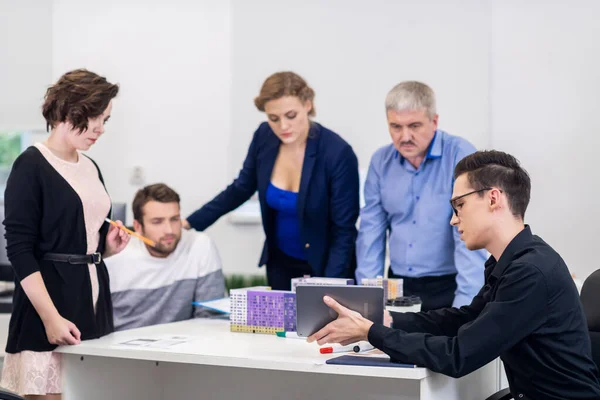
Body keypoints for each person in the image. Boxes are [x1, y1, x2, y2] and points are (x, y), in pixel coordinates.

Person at [309, 150, 600, 399]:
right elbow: (466, 319)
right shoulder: (510, 262)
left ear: (493, 198)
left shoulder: (531, 273)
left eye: (459, 205)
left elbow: (459, 354)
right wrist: (388, 320)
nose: (453, 218)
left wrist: (372, 332)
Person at [0, 69, 130, 399]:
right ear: (67, 110)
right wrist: (51, 318)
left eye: (106, 119)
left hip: (94, 299)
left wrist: (108, 246)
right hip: (50, 304)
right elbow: (19, 250)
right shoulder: (30, 165)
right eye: (94, 117)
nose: (100, 128)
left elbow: (85, 233)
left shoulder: (90, 166)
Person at [183, 72, 360, 290]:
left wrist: (330, 286)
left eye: (291, 115)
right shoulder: (264, 136)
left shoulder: (337, 153)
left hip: (327, 266)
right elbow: (241, 188)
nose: (283, 126)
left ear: (307, 104)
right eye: (274, 118)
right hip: (280, 262)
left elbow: (343, 231)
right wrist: (190, 222)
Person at [355, 81, 487, 311]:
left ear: (434, 121)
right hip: (398, 286)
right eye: (396, 126)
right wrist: (366, 304)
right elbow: (371, 235)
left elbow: (470, 237)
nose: (405, 136)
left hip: (449, 284)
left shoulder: (460, 155)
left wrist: (465, 310)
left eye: (414, 125)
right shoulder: (380, 162)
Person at [105, 184, 226, 331]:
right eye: (157, 222)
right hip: (119, 350)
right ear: (137, 227)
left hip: (182, 348)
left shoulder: (200, 246)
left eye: (174, 219)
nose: (169, 230)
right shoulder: (113, 256)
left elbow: (211, 319)